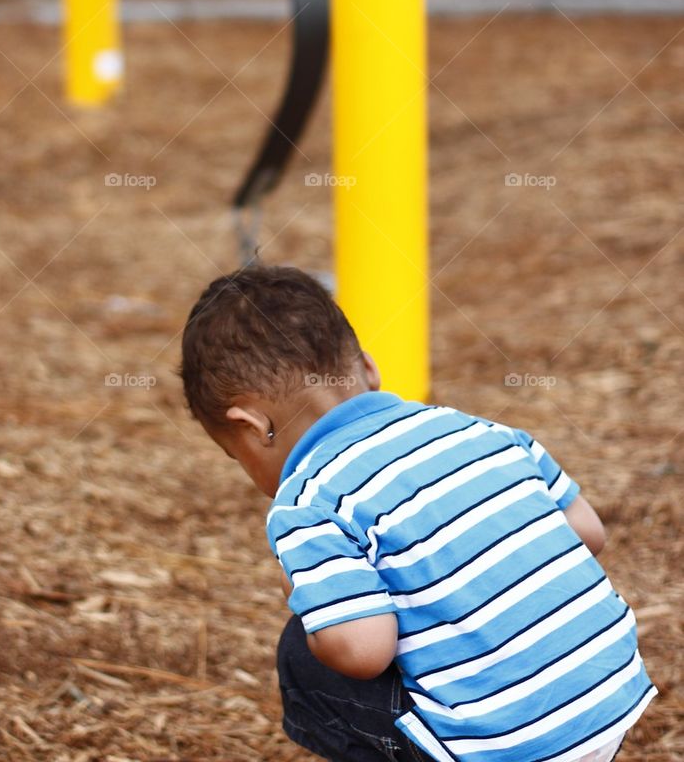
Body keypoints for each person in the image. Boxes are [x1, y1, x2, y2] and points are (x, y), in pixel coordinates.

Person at [180, 265, 656, 762]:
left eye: (237, 457)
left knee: (302, 654)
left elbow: (363, 653)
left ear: (253, 426)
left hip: (508, 743)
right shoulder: (480, 430)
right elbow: (588, 532)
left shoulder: (308, 501)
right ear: (368, 367)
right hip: (609, 694)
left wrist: (309, 597)